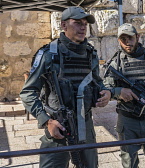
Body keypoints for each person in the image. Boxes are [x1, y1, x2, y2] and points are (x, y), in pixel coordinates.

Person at [20, 6, 111, 168]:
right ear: (63, 25)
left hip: (86, 128)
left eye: (85, 23)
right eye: (77, 23)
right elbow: (28, 93)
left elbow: (97, 82)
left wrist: (106, 93)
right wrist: (46, 121)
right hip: (59, 127)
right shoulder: (48, 54)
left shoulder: (91, 54)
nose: (83, 27)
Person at [103, 23, 145, 168]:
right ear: (118, 40)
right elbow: (105, 89)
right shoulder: (115, 63)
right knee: (129, 164)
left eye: (130, 38)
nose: (127, 42)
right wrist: (118, 92)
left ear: (138, 37)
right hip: (127, 121)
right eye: (123, 39)